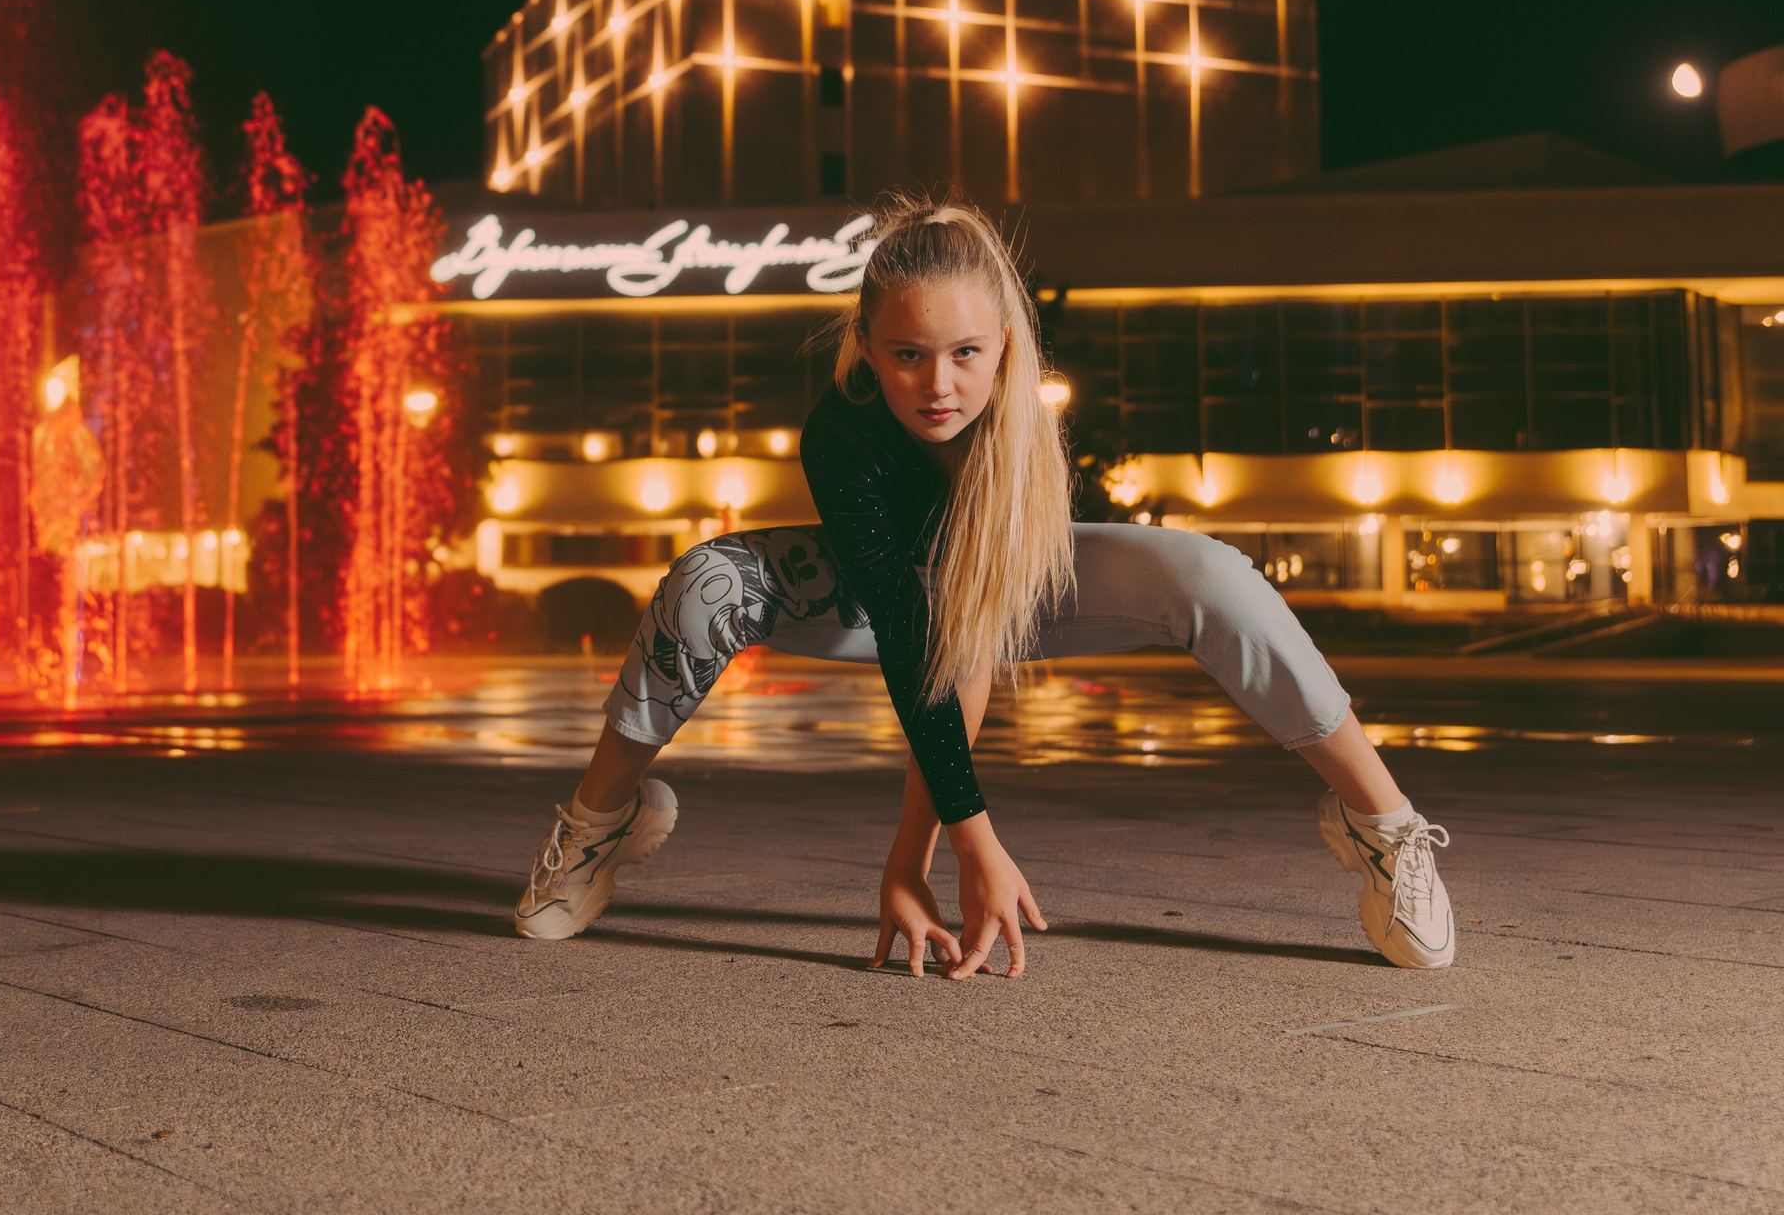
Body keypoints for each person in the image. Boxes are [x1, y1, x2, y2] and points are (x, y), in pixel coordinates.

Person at [513, 195, 1454, 976]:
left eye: (966, 352)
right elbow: (915, 621)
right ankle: (599, 825)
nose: (937, 386)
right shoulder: (843, 435)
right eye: (908, 355)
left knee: (1209, 569)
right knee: (705, 579)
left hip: (1029, 583)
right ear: (868, 346)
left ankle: (1385, 826)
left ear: (1005, 345)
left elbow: (975, 616)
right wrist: (941, 848)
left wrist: (928, 851)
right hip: (892, 605)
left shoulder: (1014, 428)